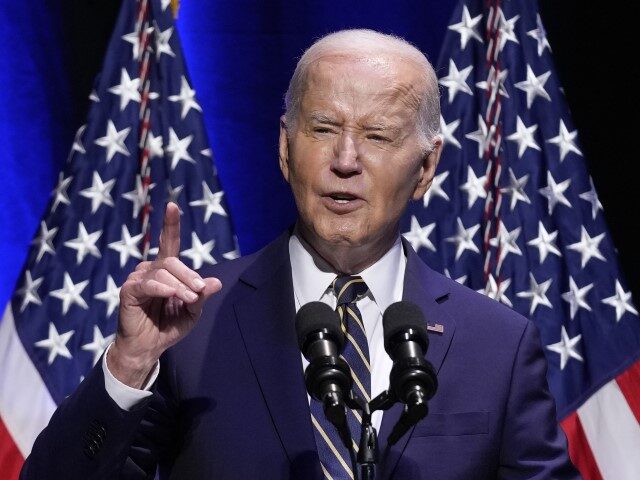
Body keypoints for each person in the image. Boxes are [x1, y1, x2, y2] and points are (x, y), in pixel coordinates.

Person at [22, 29, 579, 479]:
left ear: (426, 168)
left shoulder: (498, 345)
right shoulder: (192, 325)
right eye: (322, 128)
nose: (345, 159)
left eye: (378, 135)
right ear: (285, 150)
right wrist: (129, 364)